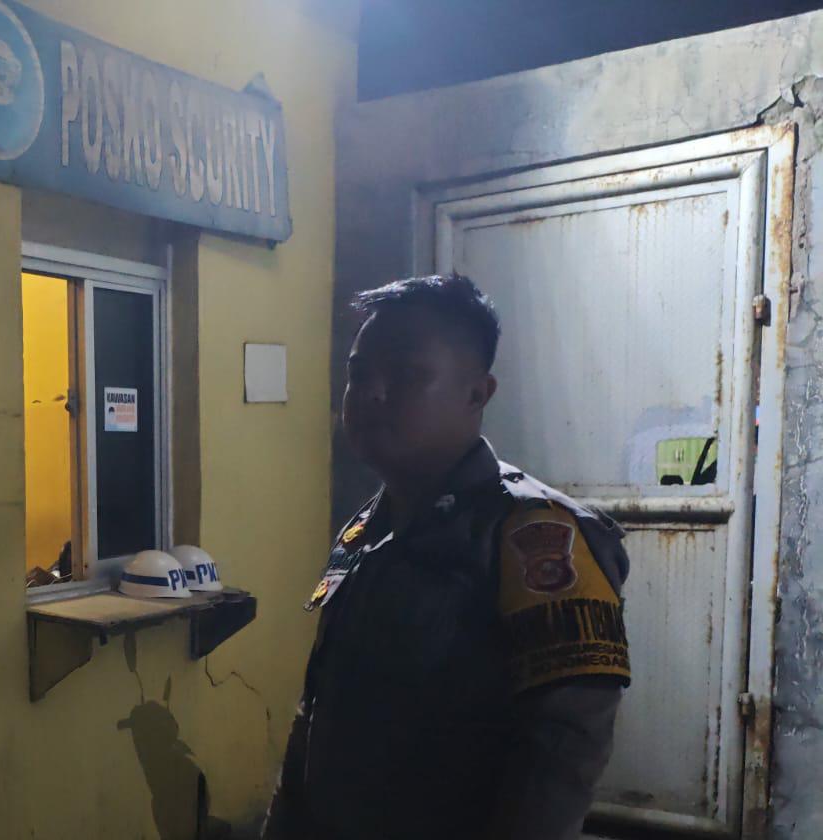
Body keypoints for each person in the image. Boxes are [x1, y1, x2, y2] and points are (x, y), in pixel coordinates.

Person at [264, 275, 630, 840]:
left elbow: (561, 756)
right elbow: (317, 708)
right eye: (359, 372)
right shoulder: (367, 527)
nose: (371, 392)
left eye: (406, 374)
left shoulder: (536, 535)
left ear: (477, 394)